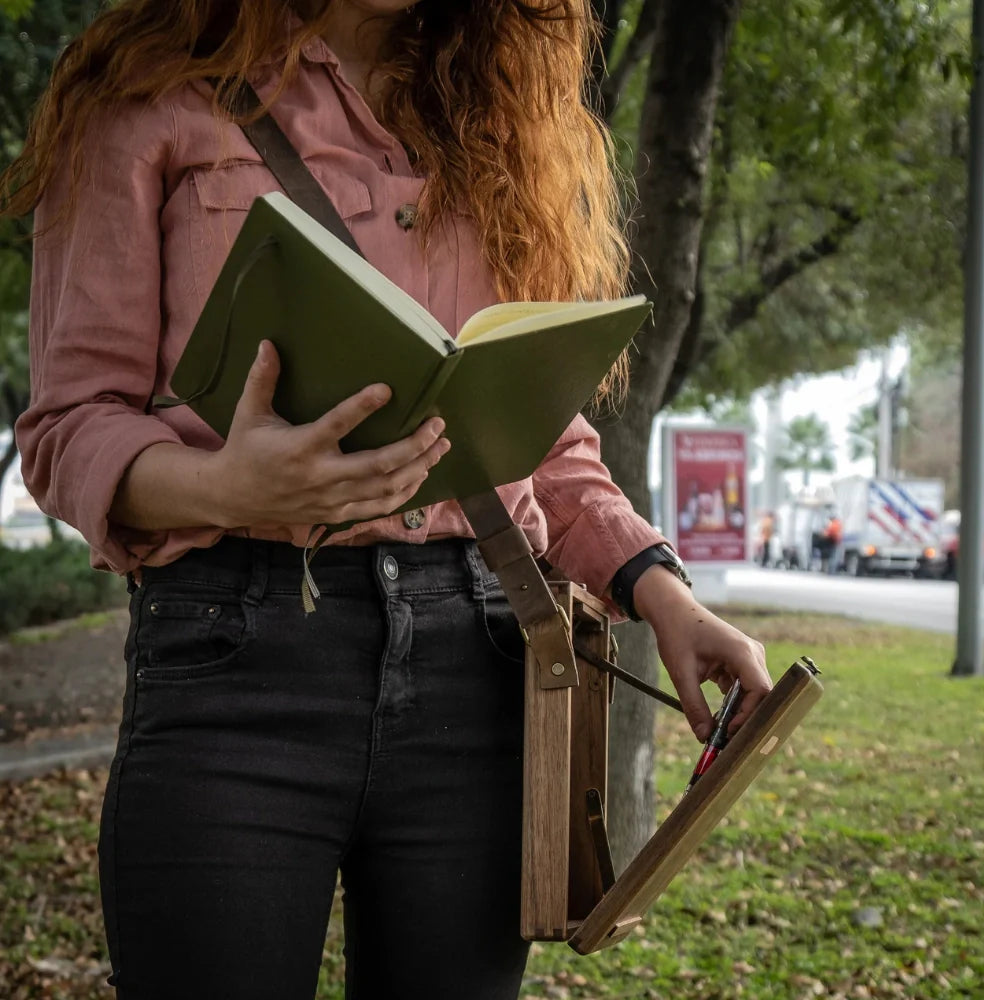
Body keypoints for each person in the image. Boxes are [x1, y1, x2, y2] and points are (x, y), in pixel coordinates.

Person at [2, 2, 772, 998]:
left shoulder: (496, 115)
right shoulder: (145, 92)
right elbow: (69, 425)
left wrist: (662, 589)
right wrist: (225, 482)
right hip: (234, 659)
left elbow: (534, 440)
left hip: (482, 665)